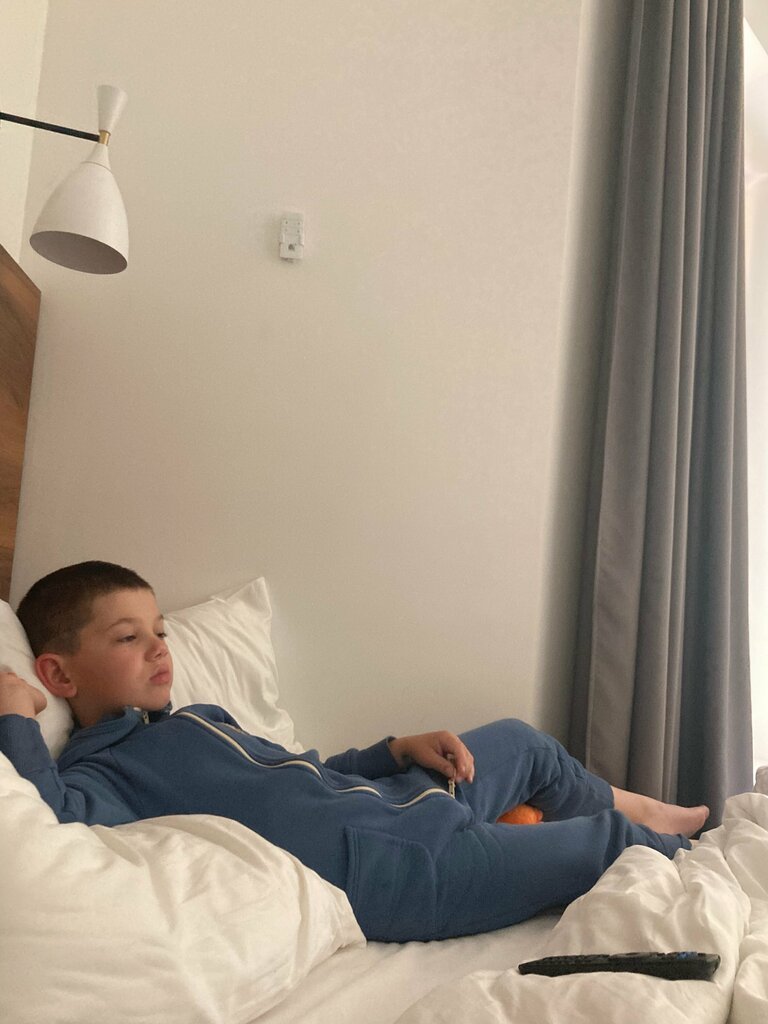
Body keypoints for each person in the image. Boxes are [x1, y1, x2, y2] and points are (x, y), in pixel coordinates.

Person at [0, 561, 709, 943]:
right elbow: (49, 818)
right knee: (604, 845)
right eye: (128, 638)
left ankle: (651, 809)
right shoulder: (103, 773)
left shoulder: (194, 720)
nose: (160, 648)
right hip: (400, 871)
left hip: (404, 802)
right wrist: (15, 712)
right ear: (59, 674)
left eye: (160, 631)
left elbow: (305, 771)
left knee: (523, 742)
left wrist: (395, 751)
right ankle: (694, 854)